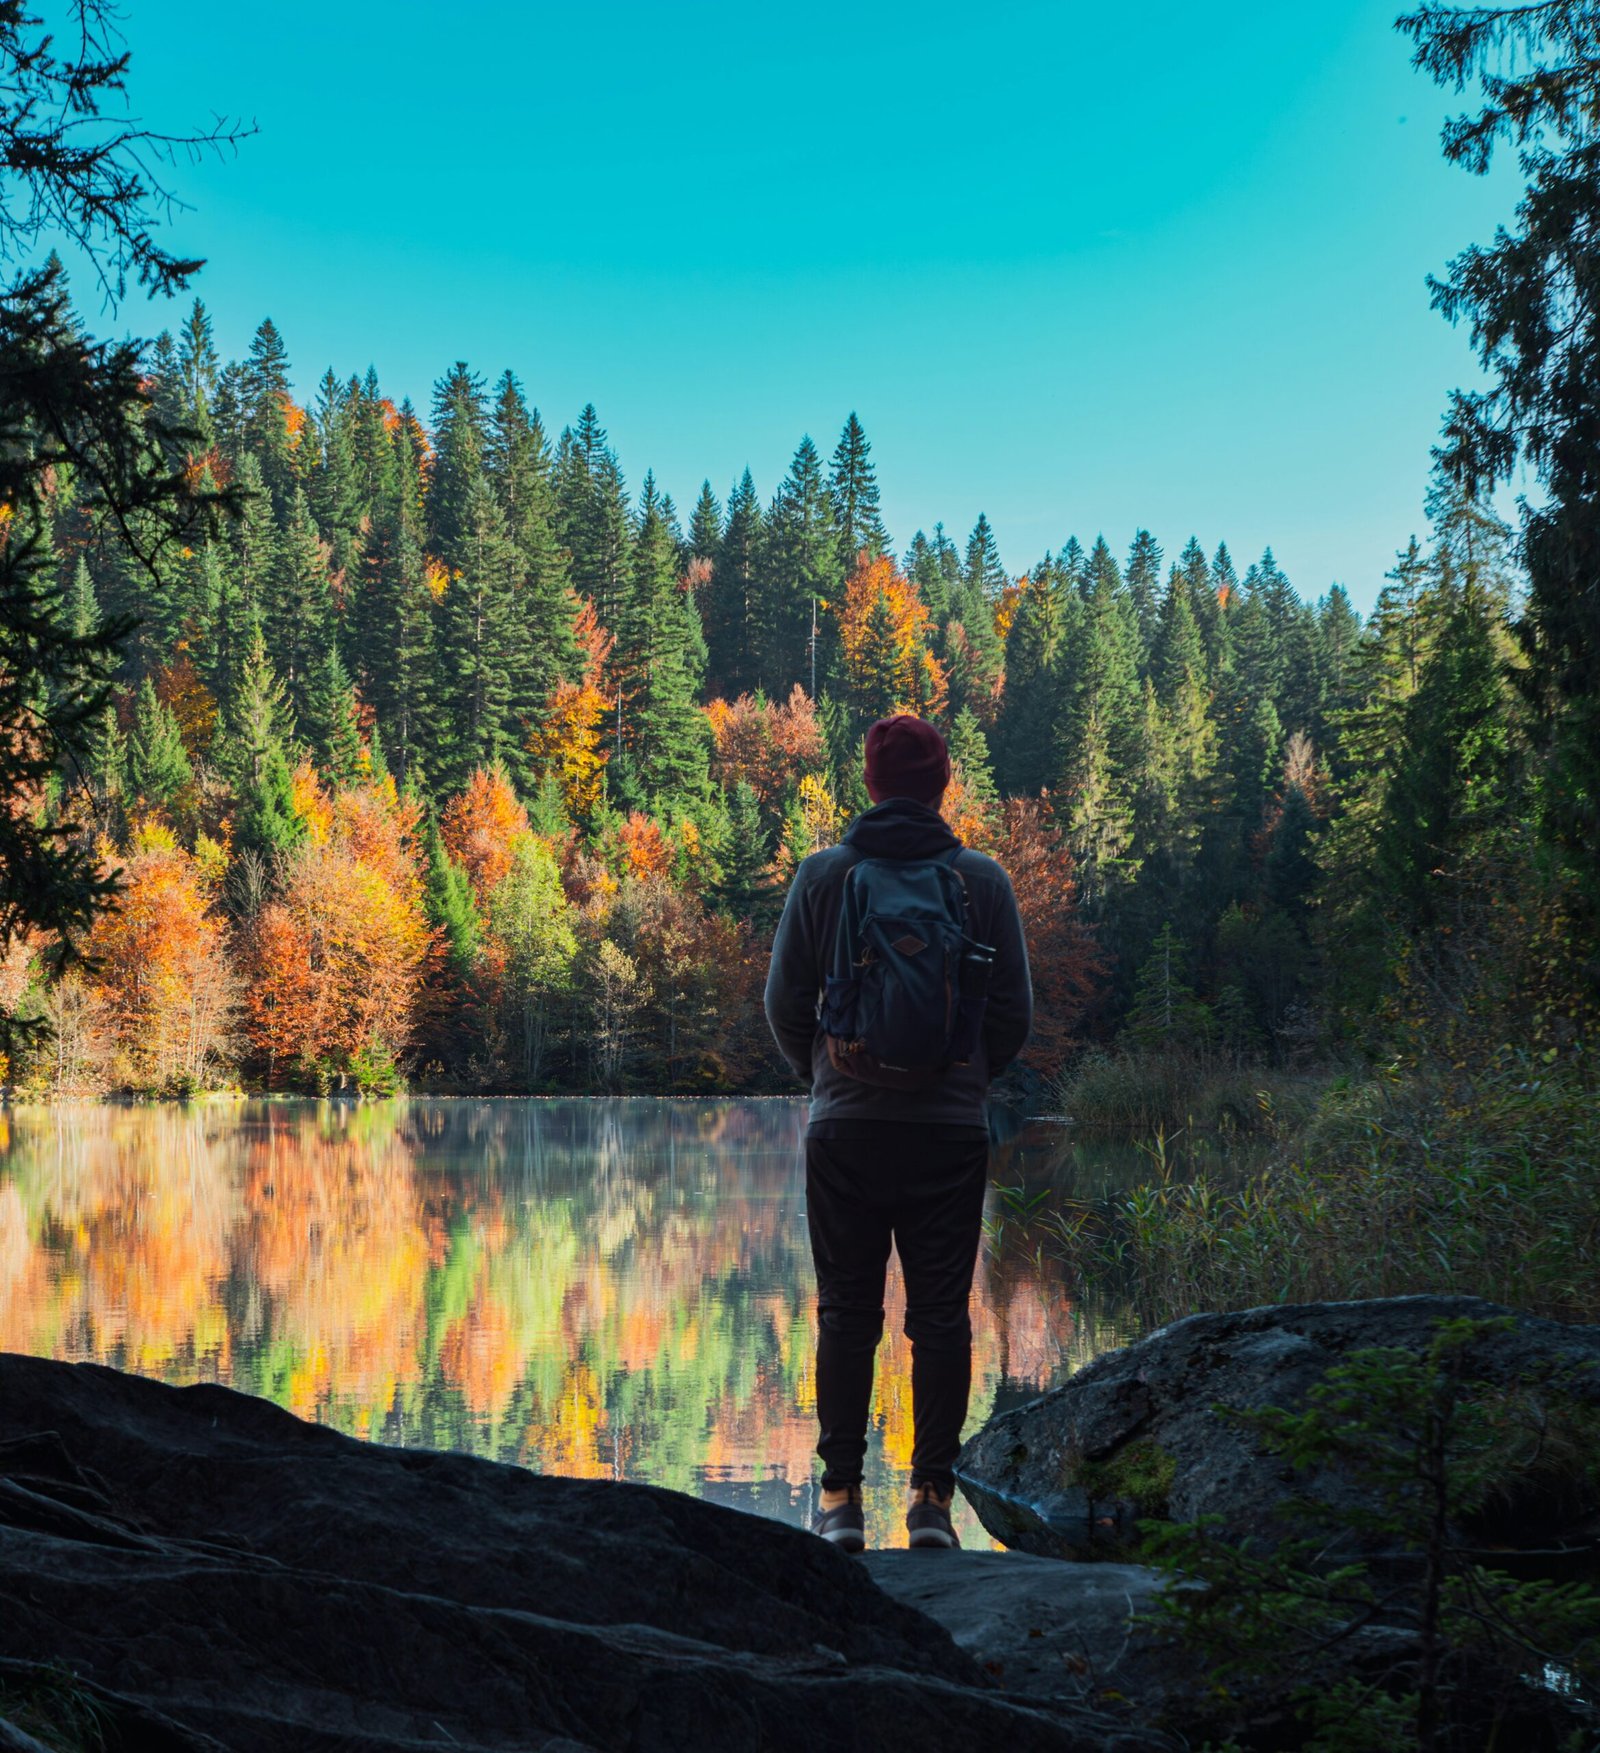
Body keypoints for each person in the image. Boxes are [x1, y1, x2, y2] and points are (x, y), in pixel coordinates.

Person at [763, 714, 1032, 1552]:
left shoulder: (821, 877)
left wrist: (828, 1079)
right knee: (941, 1317)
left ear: (872, 784)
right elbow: (1014, 1016)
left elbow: (783, 1007)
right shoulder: (981, 880)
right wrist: (964, 1080)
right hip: (949, 1134)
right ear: (942, 785)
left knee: (847, 1311)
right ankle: (930, 1504)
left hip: (844, 1131)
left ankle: (841, 1499)